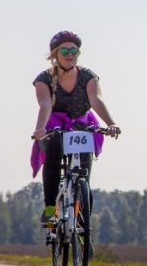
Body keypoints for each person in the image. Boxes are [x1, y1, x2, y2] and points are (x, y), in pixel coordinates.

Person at [31, 31, 121, 249]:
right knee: (53, 151)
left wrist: (110, 123)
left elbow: (96, 100)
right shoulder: (44, 79)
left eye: (74, 50)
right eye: (64, 50)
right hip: (54, 123)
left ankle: (84, 232)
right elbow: (45, 105)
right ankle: (51, 208)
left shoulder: (88, 76)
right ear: (55, 54)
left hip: (82, 124)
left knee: (84, 179)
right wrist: (40, 128)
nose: (69, 54)